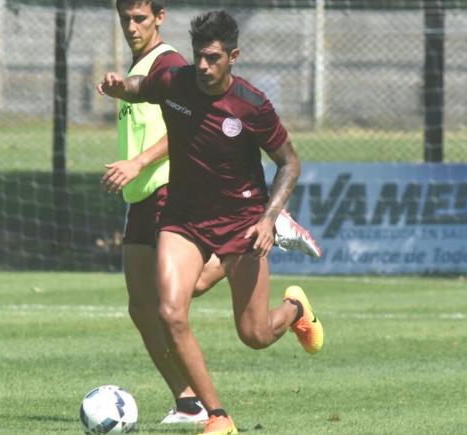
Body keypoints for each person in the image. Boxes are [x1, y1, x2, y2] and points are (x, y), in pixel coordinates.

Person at [98, 10, 324, 434]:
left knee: (254, 334)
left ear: (233, 56)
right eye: (200, 56)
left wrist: (268, 218)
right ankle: (216, 416)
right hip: (182, 217)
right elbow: (139, 88)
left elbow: (289, 162)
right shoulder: (176, 81)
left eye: (214, 58)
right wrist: (118, 87)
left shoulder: (252, 105)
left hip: (242, 221)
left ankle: (295, 309)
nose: (203, 66)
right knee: (169, 310)